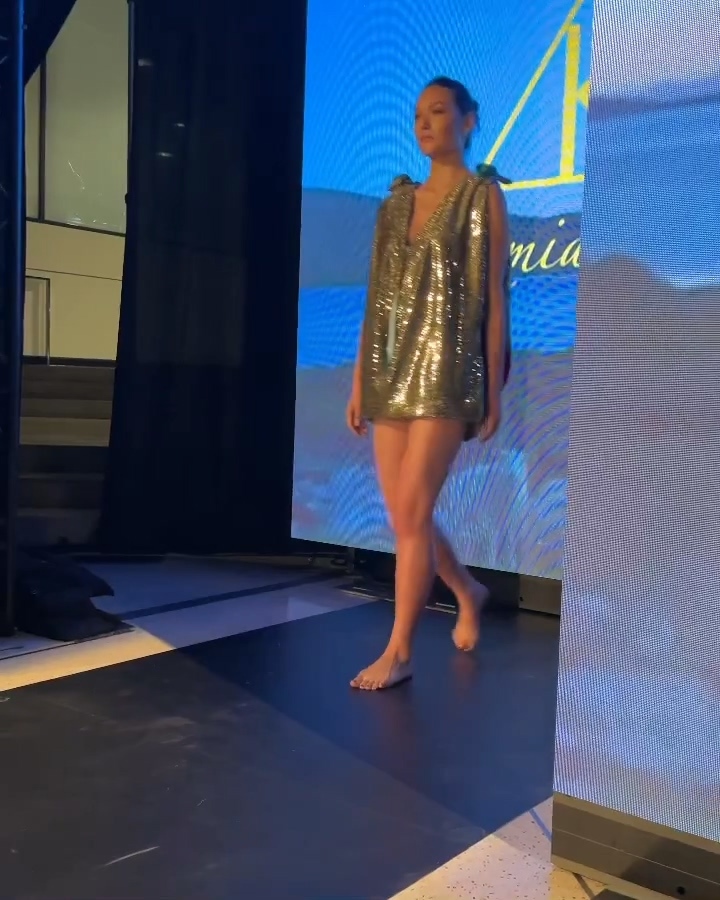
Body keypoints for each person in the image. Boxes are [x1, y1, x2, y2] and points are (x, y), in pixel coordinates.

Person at [345, 76, 511, 691]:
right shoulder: (394, 204)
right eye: (418, 114)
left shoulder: (481, 196)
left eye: (438, 112)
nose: (425, 123)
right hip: (389, 370)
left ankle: (401, 650)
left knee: (412, 511)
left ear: (468, 121)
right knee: (405, 516)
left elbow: (495, 299)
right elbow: (376, 299)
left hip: (448, 371)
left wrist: (492, 389)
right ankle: (467, 589)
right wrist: (359, 381)